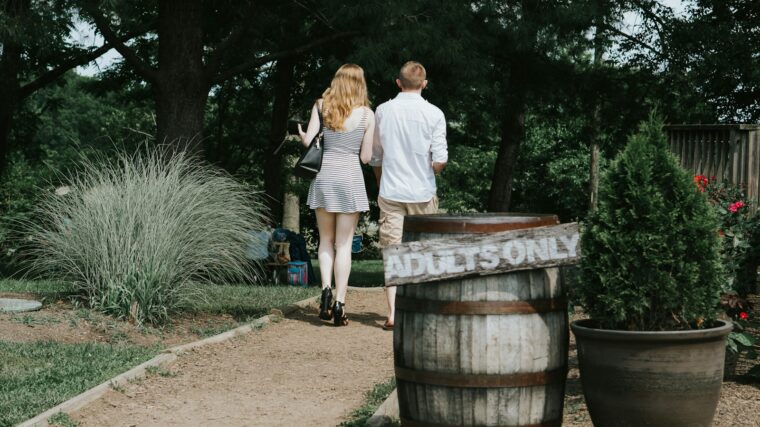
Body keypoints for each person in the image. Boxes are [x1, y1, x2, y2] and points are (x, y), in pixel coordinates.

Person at [371, 61, 447, 330]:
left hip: (391, 191)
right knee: (424, 252)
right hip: (423, 192)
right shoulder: (435, 113)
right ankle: (422, 309)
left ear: (398, 82)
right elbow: (439, 161)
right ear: (425, 84)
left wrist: (381, 183)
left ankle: (393, 313)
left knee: (393, 252)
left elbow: (376, 156)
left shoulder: (382, 111)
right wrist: (430, 167)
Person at [297, 63, 375, 326]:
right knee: (344, 244)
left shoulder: (321, 105)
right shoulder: (367, 115)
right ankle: (340, 303)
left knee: (325, 241)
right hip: (350, 177)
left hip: (325, 176)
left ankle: (325, 290)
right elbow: (365, 157)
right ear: (359, 84)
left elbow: (309, 141)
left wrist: (301, 135)